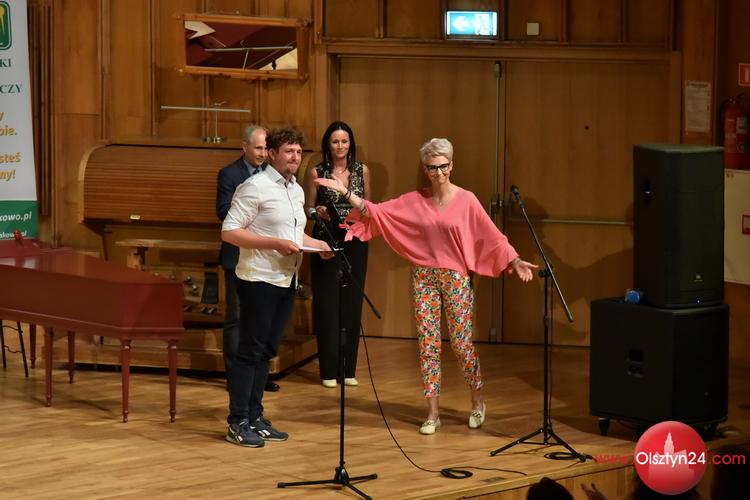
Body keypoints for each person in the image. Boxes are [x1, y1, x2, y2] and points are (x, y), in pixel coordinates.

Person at [315, 137, 537, 434]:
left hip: (455, 278)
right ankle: (432, 413)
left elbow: (491, 234)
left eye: (443, 166)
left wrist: (515, 260)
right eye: (432, 167)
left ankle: (477, 400)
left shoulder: (467, 200)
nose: (438, 173)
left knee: (461, 344)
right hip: (424, 278)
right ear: (425, 168)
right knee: (428, 344)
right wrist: (345, 192)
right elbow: (375, 211)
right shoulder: (415, 200)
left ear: (451, 165)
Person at [221, 126, 333, 447]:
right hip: (258, 279)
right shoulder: (254, 187)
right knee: (250, 351)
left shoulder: (295, 189)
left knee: (267, 351)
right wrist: (274, 243)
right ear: (272, 154)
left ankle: (255, 416)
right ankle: (238, 421)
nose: (295, 157)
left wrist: (318, 244)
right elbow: (229, 231)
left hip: (286, 279)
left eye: (298, 152)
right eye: (288, 151)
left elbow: (293, 234)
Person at [303, 121, 370, 389]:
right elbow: (307, 208)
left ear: (350, 143)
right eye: (335, 141)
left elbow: (368, 208)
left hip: (356, 238)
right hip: (326, 239)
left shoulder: (362, 171)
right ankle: (328, 370)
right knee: (327, 303)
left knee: (352, 302)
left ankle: (348, 369)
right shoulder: (316, 171)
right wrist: (315, 212)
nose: (340, 146)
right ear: (327, 145)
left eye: (344, 141)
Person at [215, 124, 280, 393]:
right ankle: (236, 378)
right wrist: (259, 214)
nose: (263, 154)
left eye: (266, 148)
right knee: (237, 318)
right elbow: (223, 211)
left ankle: (259, 376)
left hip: (266, 259)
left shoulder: (273, 175)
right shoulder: (229, 174)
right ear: (244, 147)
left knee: (262, 319)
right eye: (258, 148)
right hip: (237, 256)